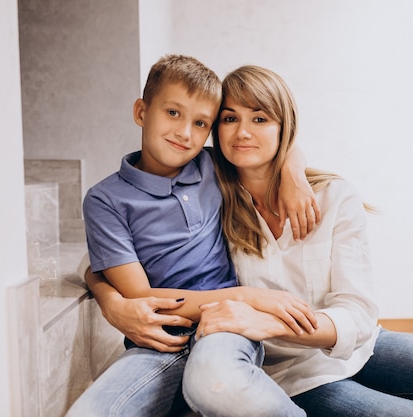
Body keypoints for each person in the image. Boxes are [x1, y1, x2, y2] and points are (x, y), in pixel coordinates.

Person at [185, 65, 413, 417]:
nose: (243, 132)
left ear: (283, 126)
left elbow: (357, 310)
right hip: (294, 375)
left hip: (359, 347)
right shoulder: (209, 199)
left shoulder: (334, 196)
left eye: (260, 119)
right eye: (230, 119)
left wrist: (292, 167)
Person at [66, 55, 319, 417]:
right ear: (141, 111)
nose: (185, 133)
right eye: (173, 113)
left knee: (218, 385)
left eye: (200, 123)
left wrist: (294, 173)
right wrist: (250, 296)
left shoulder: (212, 165)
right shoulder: (106, 199)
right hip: (159, 340)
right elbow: (142, 298)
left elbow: (273, 140)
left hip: (227, 327)